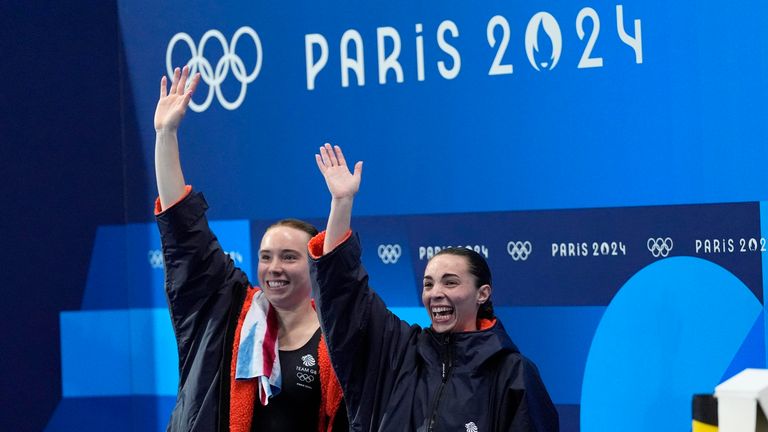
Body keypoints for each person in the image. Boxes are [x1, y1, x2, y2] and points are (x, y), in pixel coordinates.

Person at [309, 143, 559, 431]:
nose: (435, 293)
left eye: (450, 282)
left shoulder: (513, 373)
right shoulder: (398, 352)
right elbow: (345, 295)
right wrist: (341, 204)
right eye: (428, 284)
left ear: (483, 293)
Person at [153, 66, 347, 432]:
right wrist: (166, 134)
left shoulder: (337, 339)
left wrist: (342, 205)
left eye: (289, 258)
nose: (274, 268)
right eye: (266, 257)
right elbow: (183, 231)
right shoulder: (229, 312)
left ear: (313, 266)